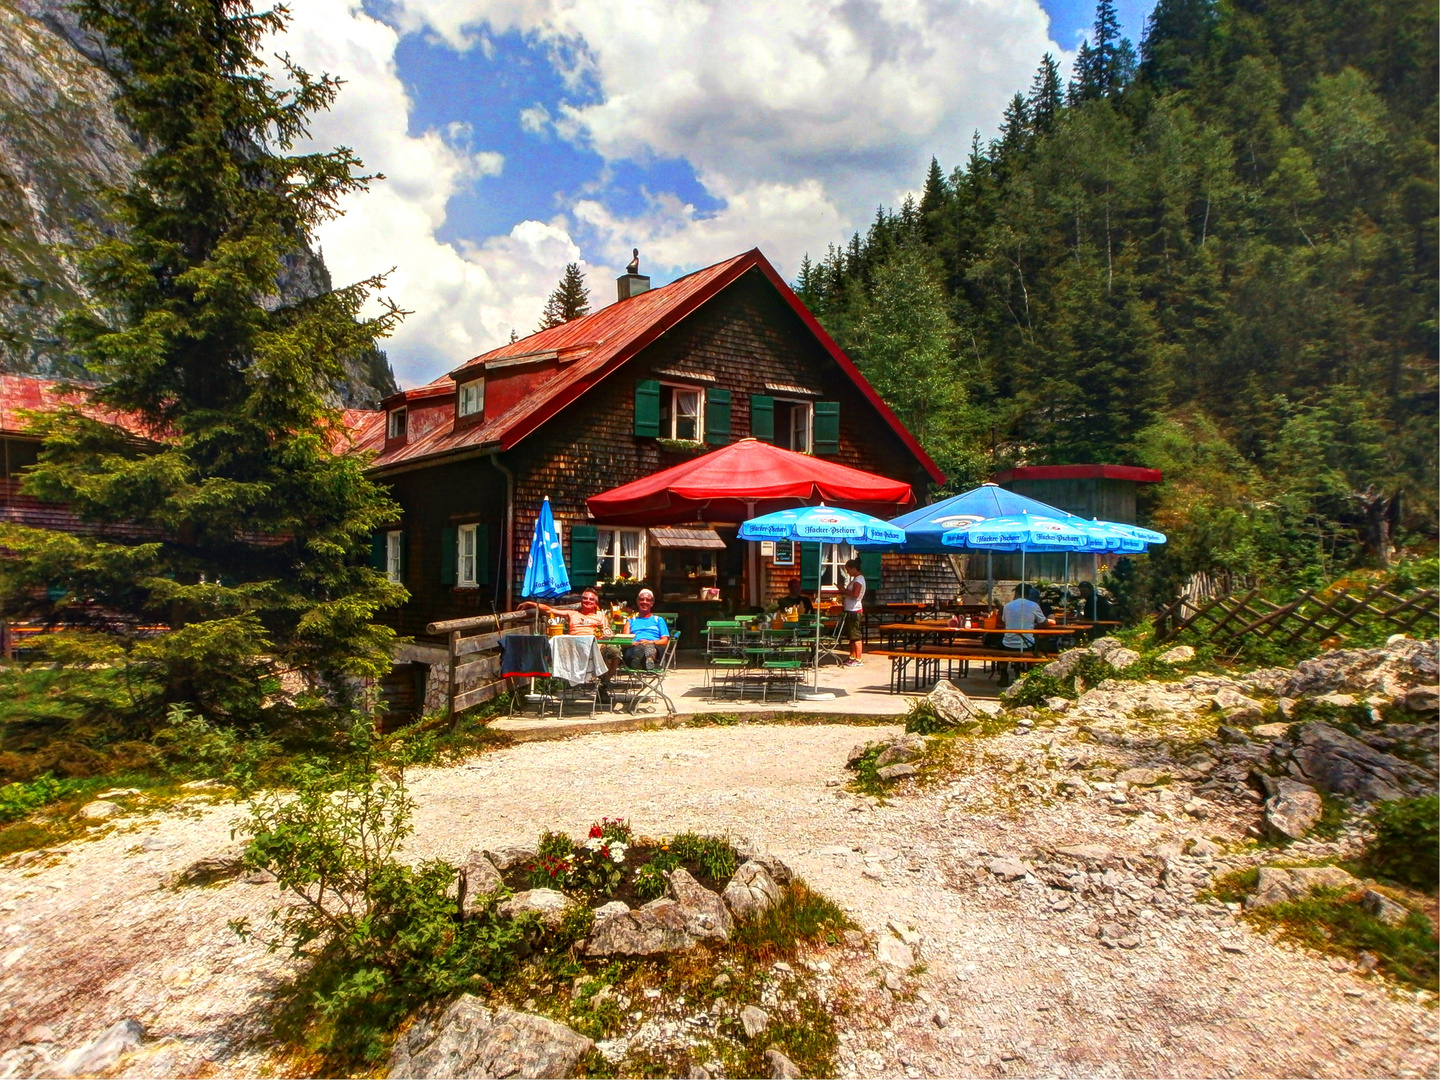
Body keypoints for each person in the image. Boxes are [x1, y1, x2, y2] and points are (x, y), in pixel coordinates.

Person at [519, 588, 623, 679]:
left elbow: (607, 634)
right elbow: (550, 610)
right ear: (581, 601)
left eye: (591, 599)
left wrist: (604, 637)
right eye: (585, 598)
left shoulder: (600, 617)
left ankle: (606, 680)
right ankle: (602, 683)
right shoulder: (572, 614)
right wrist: (531, 603)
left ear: (595, 603)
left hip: (595, 649)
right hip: (575, 650)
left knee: (615, 652)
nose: (588, 601)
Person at [998, 584, 1053, 687]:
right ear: (1029, 594)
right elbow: (1044, 623)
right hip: (1027, 644)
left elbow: (1004, 624)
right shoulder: (1034, 605)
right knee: (1037, 647)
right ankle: (1029, 674)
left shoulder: (1007, 606)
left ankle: (1003, 674)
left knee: (998, 649)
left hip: (1008, 644)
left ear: (1017, 593)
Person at [623, 588, 671, 670]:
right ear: (638, 602)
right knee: (637, 649)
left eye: (648, 600)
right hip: (635, 646)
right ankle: (641, 658)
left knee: (651, 648)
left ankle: (646, 658)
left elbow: (665, 641)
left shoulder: (658, 620)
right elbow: (624, 641)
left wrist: (650, 642)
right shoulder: (630, 621)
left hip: (654, 645)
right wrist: (636, 643)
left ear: (652, 603)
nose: (644, 602)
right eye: (642, 599)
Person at [840, 557, 866, 666]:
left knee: (855, 636)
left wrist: (844, 591)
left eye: (848, 569)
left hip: (854, 610)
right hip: (850, 609)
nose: (847, 572)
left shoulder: (859, 580)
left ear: (854, 568)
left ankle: (858, 658)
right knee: (851, 635)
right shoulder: (856, 579)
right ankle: (852, 656)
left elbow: (855, 595)